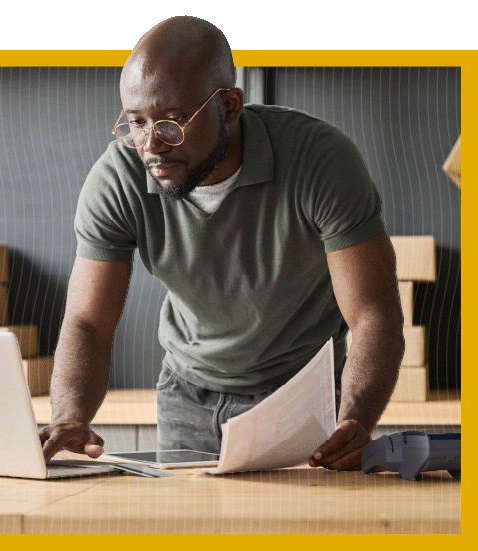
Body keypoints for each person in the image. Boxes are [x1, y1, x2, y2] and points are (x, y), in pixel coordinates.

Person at [39, 16, 404, 471]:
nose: (153, 145)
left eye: (172, 123)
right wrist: (69, 414)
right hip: (186, 391)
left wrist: (355, 418)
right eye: (136, 122)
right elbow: (89, 323)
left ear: (230, 105)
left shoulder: (320, 160)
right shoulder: (118, 178)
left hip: (298, 395)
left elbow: (373, 313)